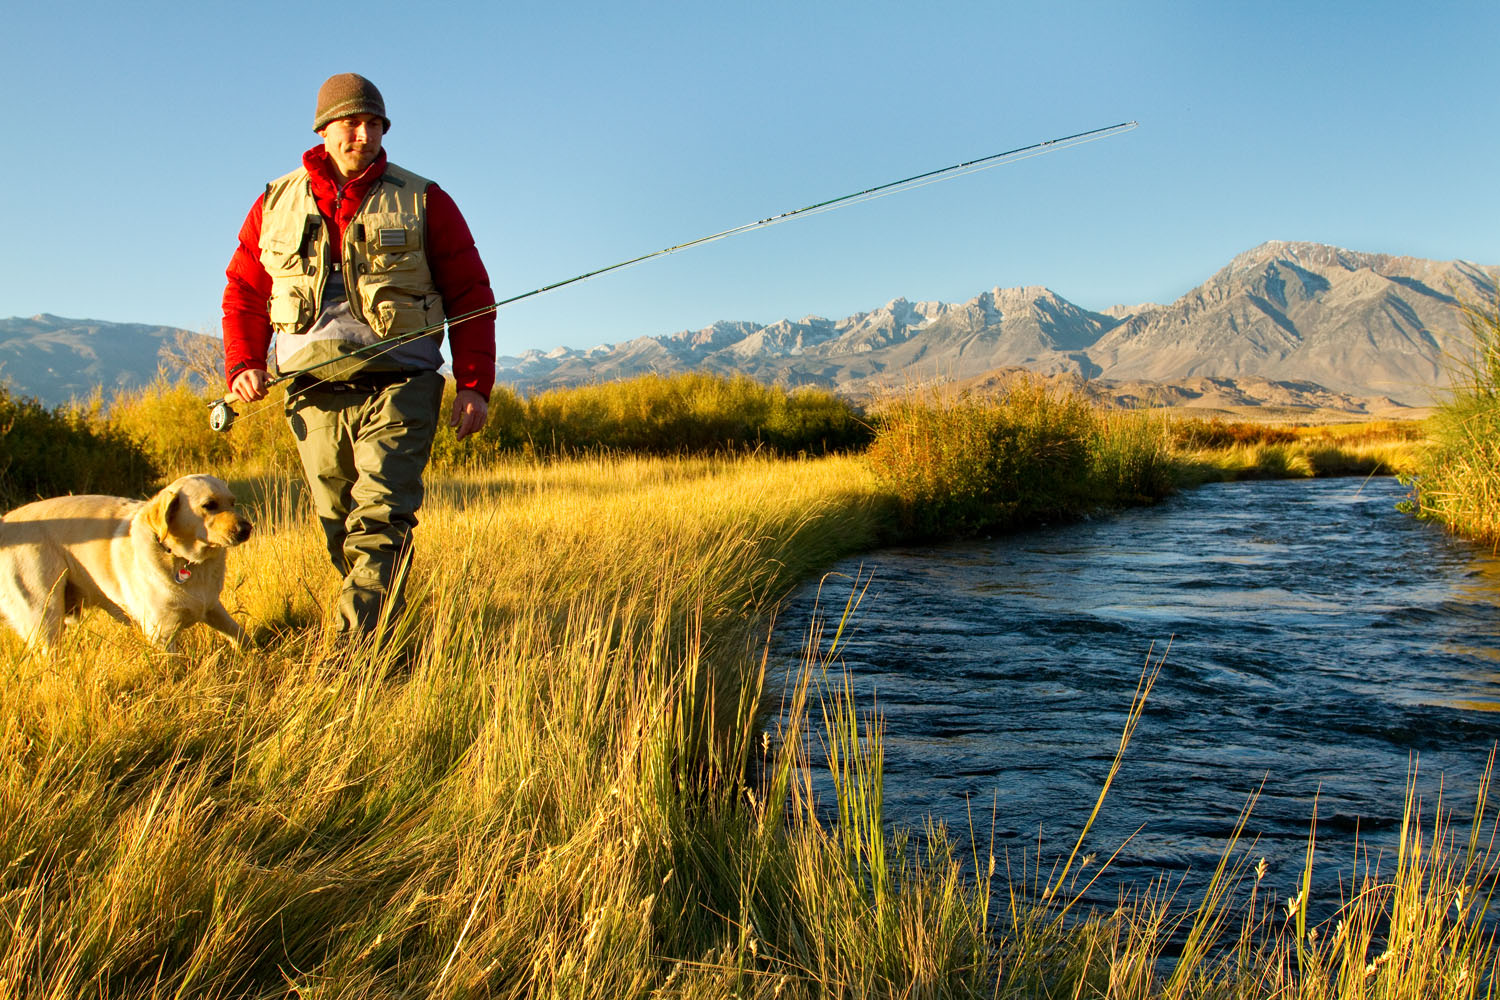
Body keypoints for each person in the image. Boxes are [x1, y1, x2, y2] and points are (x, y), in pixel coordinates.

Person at [222, 72, 495, 641]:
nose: (363, 135)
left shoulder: (425, 199)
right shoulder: (274, 201)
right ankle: (383, 634)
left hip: (403, 384)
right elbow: (245, 291)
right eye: (351, 123)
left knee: (380, 517)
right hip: (312, 389)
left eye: (374, 124)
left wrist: (474, 384)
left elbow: (471, 295)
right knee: (337, 525)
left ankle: (355, 654)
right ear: (324, 130)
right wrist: (245, 363)